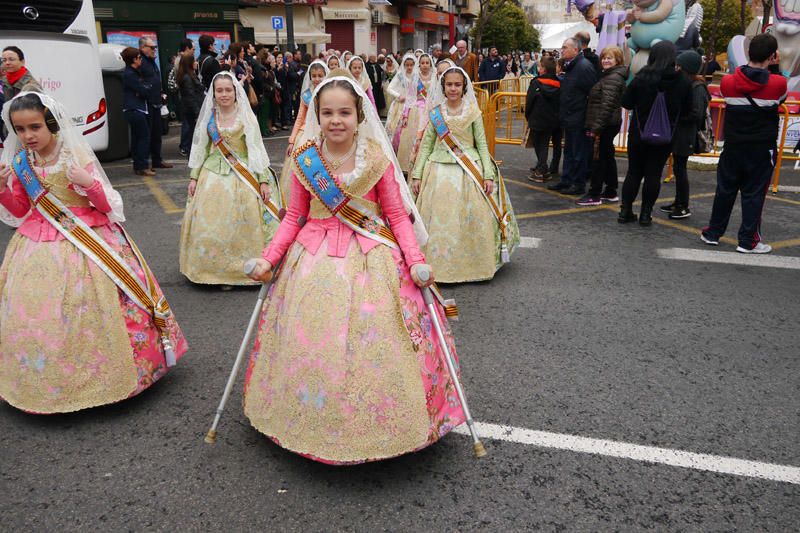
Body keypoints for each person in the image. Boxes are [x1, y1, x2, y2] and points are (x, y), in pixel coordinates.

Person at [243, 75, 466, 464]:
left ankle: (385, 424)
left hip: (371, 257)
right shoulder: (305, 159)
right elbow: (294, 215)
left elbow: (396, 215)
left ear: (359, 115)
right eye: (326, 112)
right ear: (317, 115)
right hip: (312, 260)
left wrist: (415, 261)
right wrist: (269, 257)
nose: (335, 120)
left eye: (344, 112)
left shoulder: (376, 159)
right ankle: (308, 421)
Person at [0, 91, 187, 414]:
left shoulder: (73, 154)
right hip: (36, 243)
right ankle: (47, 381)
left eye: (34, 127)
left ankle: (111, 374)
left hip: (89, 241)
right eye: (20, 129)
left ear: (50, 123)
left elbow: (106, 206)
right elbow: (20, 209)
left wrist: (90, 183)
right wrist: (3, 189)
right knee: (43, 315)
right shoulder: (20, 163)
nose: (27, 136)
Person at [411, 66, 520, 282]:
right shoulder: (436, 113)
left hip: (469, 170)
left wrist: (488, 174)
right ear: (443, 87)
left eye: (457, 85)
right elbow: (426, 146)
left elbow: (481, 143)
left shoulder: (472, 111)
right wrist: (417, 174)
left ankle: (473, 264)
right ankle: (436, 266)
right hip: (438, 169)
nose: (453, 88)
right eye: (449, 84)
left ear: (464, 87)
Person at [180, 72, 281, 286]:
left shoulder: (246, 117)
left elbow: (256, 149)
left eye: (228, 90)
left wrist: (263, 180)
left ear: (235, 92)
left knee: (241, 224)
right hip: (212, 175)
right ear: (213, 93)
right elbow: (201, 149)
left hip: (242, 175)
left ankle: (242, 271)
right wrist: (194, 177)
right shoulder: (209, 118)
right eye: (219, 90)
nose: (224, 94)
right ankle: (211, 271)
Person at [701, 34, 787, 253]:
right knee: (754, 194)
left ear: (748, 53)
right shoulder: (778, 83)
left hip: (733, 145)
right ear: (773, 56)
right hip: (761, 148)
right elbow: (782, 97)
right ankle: (748, 241)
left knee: (725, 191)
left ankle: (713, 233)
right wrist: (775, 69)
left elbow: (732, 89)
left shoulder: (729, 82)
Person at [618, 41, 693, 226]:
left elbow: (626, 102)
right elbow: (687, 111)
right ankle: (646, 214)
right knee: (653, 174)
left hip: (639, 133)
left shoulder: (642, 77)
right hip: (665, 135)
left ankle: (625, 211)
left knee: (634, 172)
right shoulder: (682, 80)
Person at [576, 45, 627, 206]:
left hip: (604, 125)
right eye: (604, 57)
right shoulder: (611, 76)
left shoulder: (612, 78)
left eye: (609, 57)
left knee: (598, 160)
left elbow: (607, 106)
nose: (605, 60)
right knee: (607, 156)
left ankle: (594, 194)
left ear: (617, 60)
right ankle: (611, 191)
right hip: (608, 124)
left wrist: (596, 128)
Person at [661, 50, 709, 219]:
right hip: (680, 132)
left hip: (686, 134)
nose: (676, 68)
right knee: (677, 168)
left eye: (679, 66)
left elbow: (697, 113)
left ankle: (683, 205)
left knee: (680, 170)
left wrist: (677, 116)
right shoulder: (687, 84)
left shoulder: (697, 87)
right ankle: (678, 201)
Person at [547, 38, 597, 196]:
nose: (562, 50)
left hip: (578, 117)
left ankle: (578, 183)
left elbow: (592, 94)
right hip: (569, 116)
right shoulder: (572, 66)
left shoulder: (583, 67)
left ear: (575, 50)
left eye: (565, 47)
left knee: (578, 153)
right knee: (569, 151)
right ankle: (566, 180)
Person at [279, 60, 328, 203]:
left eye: (320, 75)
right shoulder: (306, 95)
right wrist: (292, 140)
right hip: (305, 133)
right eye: (314, 76)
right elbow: (300, 117)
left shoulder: (330, 92)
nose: (317, 79)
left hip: (325, 132)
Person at [524, 56, 561, 183]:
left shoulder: (536, 82)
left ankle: (541, 169)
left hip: (537, 117)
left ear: (543, 69)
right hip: (552, 119)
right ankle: (542, 166)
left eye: (540, 66)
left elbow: (529, 101)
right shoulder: (559, 83)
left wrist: (527, 115)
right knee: (544, 143)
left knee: (537, 143)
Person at [138, 37, 172, 171]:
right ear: (143, 48)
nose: (154, 50)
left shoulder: (152, 62)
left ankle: (157, 160)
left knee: (157, 134)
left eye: (155, 47)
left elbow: (155, 80)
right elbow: (140, 82)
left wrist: (161, 92)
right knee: (147, 135)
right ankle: (144, 164)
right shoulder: (141, 62)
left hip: (156, 102)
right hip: (147, 104)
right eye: (151, 47)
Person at [121, 47, 154, 177]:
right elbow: (144, 90)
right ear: (134, 60)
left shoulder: (133, 72)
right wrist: (146, 88)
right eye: (139, 57)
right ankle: (143, 166)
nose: (141, 60)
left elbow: (142, 90)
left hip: (134, 108)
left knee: (137, 138)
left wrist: (143, 89)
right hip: (135, 109)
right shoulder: (130, 74)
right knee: (144, 138)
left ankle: (138, 165)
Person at [385, 54, 417, 164]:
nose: (409, 67)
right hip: (400, 106)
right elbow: (390, 88)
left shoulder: (417, 75)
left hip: (413, 106)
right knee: (397, 130)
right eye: (407, 65)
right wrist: (399, 95)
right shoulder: (400, 75)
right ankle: (396, 154)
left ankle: (409, 155)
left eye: (411, 65)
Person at [176, 54, 204, 162]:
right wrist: (197, 113)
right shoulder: (187, 78)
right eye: (195, 61)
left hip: (192, 109)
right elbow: (190, 96)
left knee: (194, 133)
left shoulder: (190, 75)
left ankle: (193, 155)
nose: (196, 63)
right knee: (193, 133)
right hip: (192, 111)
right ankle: (192, 156)